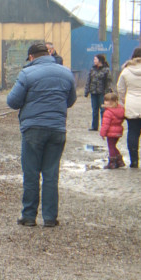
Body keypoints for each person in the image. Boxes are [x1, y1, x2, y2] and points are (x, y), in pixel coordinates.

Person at [7, 43, 77, 228]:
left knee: (31, 173)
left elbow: (12, 102)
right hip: (57, 129)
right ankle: (50, 217)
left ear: (31, 57)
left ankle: (29, 216)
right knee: (51, 173)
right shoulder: (66, 72)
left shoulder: (27, 74)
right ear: (48, 54)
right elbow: (71, 100)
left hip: (33, 129)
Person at [116, 47, 141, 169]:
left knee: (133, 132)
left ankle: (134, 161)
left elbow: (120, 88)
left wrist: (124, 100)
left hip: (132, 104)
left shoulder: (126, 71)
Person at [85, 54, 111, 131]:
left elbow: (108, 82)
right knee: (95, 110)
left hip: (102, 93)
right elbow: (88, 81)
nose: (94, 61)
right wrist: (86, 91)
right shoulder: (92, 69)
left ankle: (104, 126)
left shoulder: (106, 70)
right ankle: (94, 126)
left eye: (95, 59)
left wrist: (107, 92)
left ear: (100, 60)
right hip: (93, 92)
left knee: (103, 110)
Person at [99, 92, 126, 169]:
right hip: (118, 132)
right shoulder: (120, 110)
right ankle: (119, 160)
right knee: (114, 146)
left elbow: (105, 124)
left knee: (111, 147)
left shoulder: (108, 112)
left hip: (111, 133)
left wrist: (102, 133)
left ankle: (112, 162)